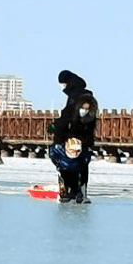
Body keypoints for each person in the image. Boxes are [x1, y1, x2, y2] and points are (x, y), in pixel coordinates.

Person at [48, 71, 98, 203]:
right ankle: (78, 192)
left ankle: (70, 191)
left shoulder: (76, 97)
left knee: (68, 164)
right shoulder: (84, 95)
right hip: (82, 139)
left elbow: (67, 118)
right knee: (80, 166)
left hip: (73, 138)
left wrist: (57, 129)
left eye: (63, 84)